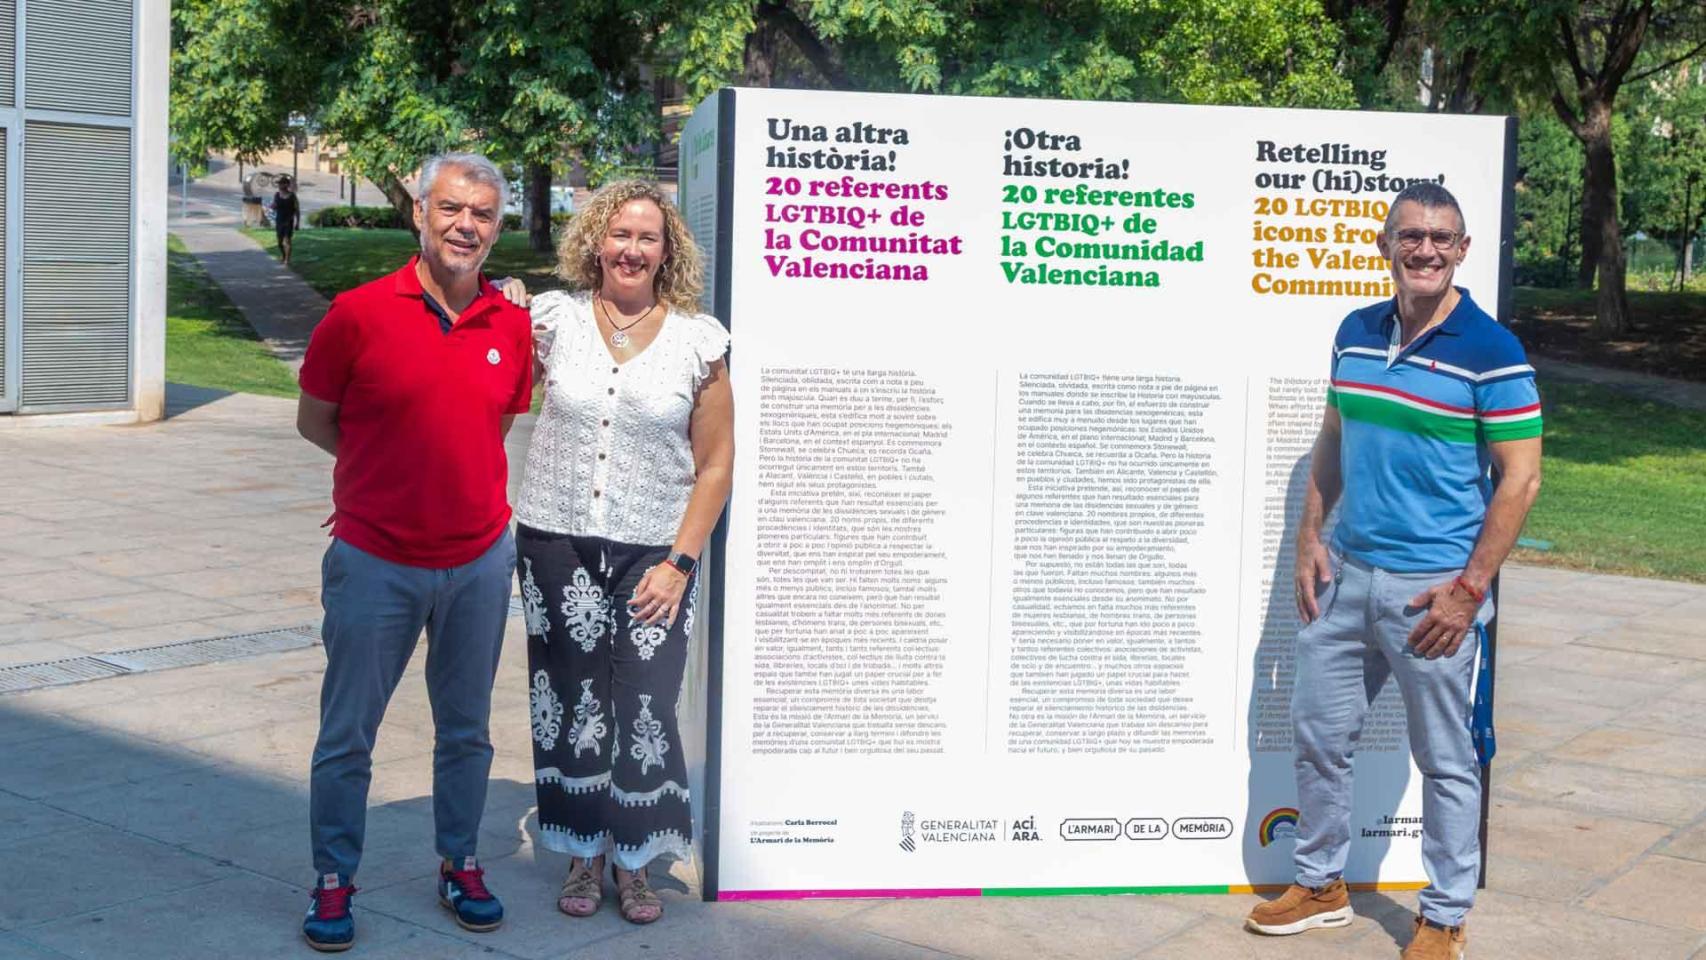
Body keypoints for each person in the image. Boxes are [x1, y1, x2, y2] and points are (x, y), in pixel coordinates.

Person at [1243, 182, 1542, 960]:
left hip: (1430, 592)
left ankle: (1444, 916)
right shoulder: (1353, 332)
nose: (1426, 251)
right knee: (1316, 737)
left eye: (1442, 238)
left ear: (1463, 250)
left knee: (1445, 761)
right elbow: (1333, 438)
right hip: (1347, 576)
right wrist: (1312, 536)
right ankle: (1321, 883)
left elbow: (1522, 479)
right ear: (1385, 246)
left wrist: (1468, 589)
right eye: (1411, 236)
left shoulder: (1492, 352)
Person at [294, 152, 533, 952]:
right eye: (452, 209)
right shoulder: (358, 313)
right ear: (420, 213)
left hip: (478, 561)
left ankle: (459, 861)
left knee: (466, 730)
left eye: (484, 215)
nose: (467, 225)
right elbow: (316, 420)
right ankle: (333, 878)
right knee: (348, 733)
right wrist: (382, 476)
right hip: (375, 562)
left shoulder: (512, 324)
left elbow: (489, 426)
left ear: (497, 229)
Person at [506, 180, 733, 925]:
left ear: (667, 252)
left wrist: (681, 563)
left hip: (653, 554)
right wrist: (497, 303)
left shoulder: (702, 340)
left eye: (648, 238)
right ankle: (582, 849)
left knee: (644, 702)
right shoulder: (551, 319)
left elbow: (717, 465)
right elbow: (487, 387)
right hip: (555, 540)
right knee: (571, 701)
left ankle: (635, 861)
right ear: (595, 242)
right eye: (620, 235)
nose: (632, 249)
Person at [274, 175, 302, 265]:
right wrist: (273, 207)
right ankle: (283, 255)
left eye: (281, 184)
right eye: (279, 184)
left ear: (286, 185)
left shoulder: (292, 196)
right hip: (279, 221)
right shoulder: (277, 195)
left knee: (287, 240)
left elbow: (297, 210)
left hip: (289, 221)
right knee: (279, 242)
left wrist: (297, 223)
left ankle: (287, 260)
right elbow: (275, 205)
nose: (279, 185)